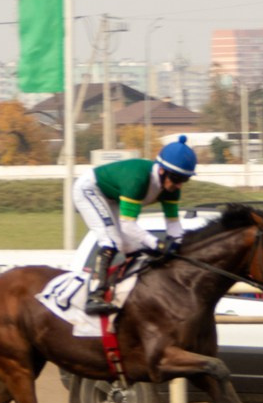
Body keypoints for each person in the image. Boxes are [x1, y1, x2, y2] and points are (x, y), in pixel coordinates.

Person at [73, 135, 197, 315]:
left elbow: (174, 225)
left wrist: (179, 245)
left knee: (132, 248)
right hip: (89, 190)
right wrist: (158, 244)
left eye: (184, 180)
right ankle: (94, 295)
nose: (179, 185)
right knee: (111, 242)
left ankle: (120, 290)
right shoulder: (138, 179)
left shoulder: (170, 188)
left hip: (112, 197)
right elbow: (128, 225)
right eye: (177, 178)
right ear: (162, 171)